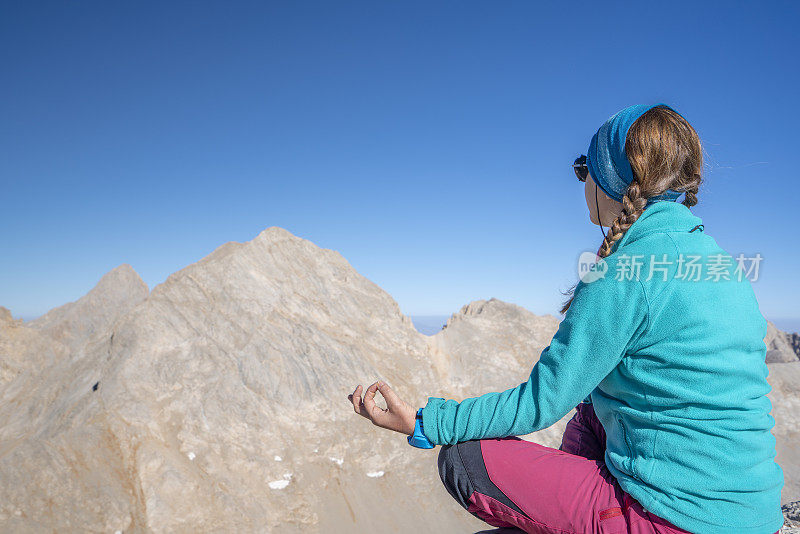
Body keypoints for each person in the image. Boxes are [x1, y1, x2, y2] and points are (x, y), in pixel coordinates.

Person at [347, 103, 785, 534]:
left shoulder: (625, 272)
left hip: (676, 519)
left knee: (463, 459)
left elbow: (540, 402)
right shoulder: (721, 264)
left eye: (584, 168)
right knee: (591, 409)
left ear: (612, 180)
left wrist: (425, 422)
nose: (582, 181)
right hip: (751, 513)